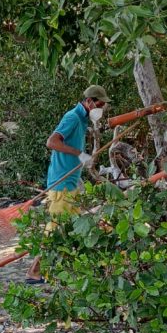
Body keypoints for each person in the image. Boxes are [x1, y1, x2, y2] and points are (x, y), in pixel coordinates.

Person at [25, 84, 110, 283]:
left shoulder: (82, 119)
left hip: (71, 182)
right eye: (99, 104)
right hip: (61, 182)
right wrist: (79, 154)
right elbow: (52, 142)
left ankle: (67, 270)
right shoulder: (72, 117)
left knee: (74, 227)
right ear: (89, 101)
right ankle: (33, 272)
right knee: (54, 229)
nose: (101, 108)